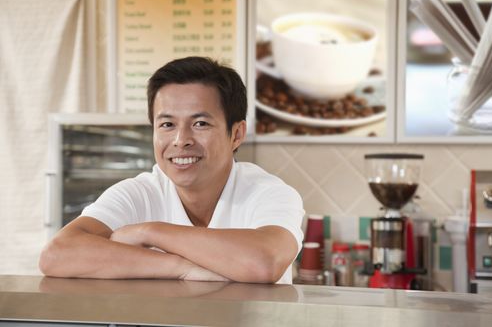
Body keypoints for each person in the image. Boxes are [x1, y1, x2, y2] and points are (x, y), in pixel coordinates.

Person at [39, 56, 305, 284]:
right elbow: (57, 255)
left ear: (236, 134)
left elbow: (264, 262)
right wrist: (181, 268)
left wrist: (149, 232)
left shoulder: (269, 193)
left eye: (200, 123)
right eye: (167, 125)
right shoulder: (138, 193)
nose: (181, 140)